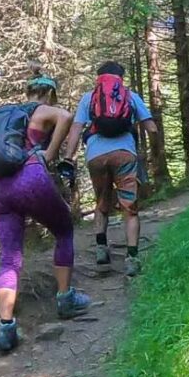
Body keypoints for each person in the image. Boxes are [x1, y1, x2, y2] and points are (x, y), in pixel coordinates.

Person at [0, 73, 92, 353]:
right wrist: (50, 153)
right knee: (64, 231)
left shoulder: (3, 119)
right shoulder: (39, 109)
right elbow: (66, 116)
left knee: (9, 258)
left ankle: (6, 327)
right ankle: (65, 299)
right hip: (31, 177)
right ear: (49, 94)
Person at [60, 59, 157, 276]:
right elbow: (151, 128)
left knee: (102, 201)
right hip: (125, 155)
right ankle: (132, 258)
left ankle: (101, 248)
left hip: (96, 156)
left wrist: (68, 157)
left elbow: (76, 129)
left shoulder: (89, 98)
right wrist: (149, 149)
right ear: (120, 78)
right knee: (130, 207)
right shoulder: (130, 96)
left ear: (99, 78)